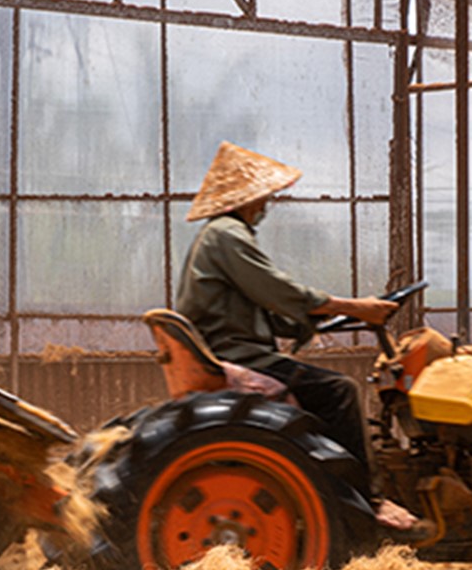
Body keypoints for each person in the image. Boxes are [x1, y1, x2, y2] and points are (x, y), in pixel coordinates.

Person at [174, 141, 414, 526]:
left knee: (324, 392)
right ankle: (368, 500)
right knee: (339, 392)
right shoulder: (227, 235)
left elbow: (264, 306)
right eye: (264, 197)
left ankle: (336, 489)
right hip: (237, 355)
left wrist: (315, 317)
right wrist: (355, 307)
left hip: (231, 346)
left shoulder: (218, 236)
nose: (266, 206)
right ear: (245, 197)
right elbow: (277, 290)